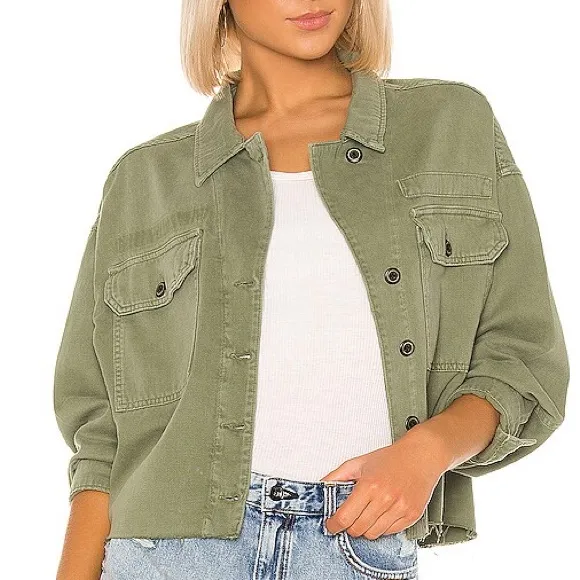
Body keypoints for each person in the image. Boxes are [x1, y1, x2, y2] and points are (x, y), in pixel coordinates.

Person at [54, 1, 570, 579]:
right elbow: (101, 436)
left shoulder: (449, 125)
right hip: (169, 557)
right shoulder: (145, 180)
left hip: (355, 543)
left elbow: (522, 358)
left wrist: (427, 451)